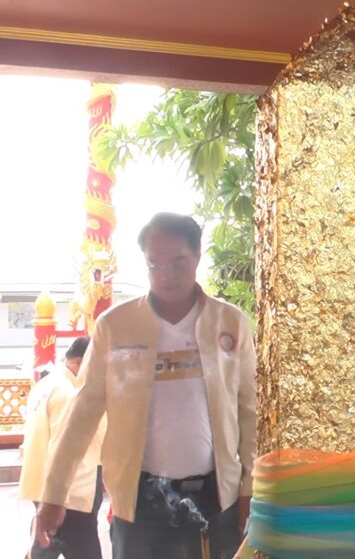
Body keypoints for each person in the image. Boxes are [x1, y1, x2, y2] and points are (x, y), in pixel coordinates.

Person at [34, 213, 257, 559]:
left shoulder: (230, 323)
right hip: (140, 503)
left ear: (197, 255)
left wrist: (251, 487)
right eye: (155, 265)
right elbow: (81, 414)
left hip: (216, 498)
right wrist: (53, 495)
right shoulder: (115, 326)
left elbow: (249, 413)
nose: (165, 275)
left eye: (177, 262)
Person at [19, 337, 105, 559]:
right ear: (81, 362)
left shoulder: (47, 384)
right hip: (71, 489)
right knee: (81, 548)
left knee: (47, 543)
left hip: (44, 482)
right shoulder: (70, 393)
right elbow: (65, 445)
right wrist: (61, 497)